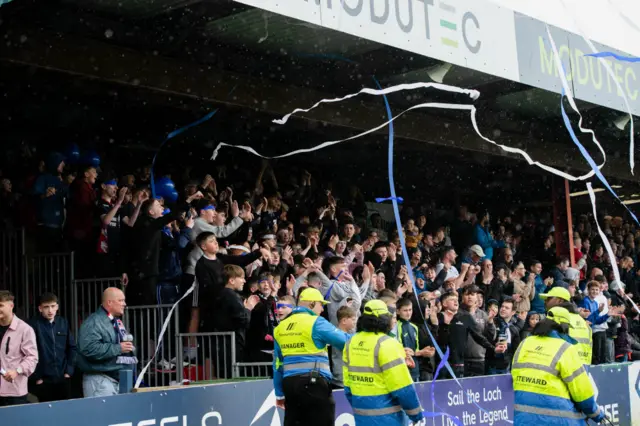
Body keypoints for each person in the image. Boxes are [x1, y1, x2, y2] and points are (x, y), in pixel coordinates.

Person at [511, 306, 605, 425]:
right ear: (564, 328)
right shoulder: (565, 348)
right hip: (558, 420)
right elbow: (582, 393)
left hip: (523, 419)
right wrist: (597, 414)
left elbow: (514, 374)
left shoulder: (525, 343)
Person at [273, 287, 350, 426]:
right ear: (312, 304)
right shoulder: (316, 322)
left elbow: (278, 364)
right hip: (314, 384)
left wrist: (279, 394)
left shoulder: (280, 327)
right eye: (321, 305)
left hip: (289, 385)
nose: (322, 310)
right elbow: (345, 342)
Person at [343, 300, 424, 426]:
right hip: (388, 418)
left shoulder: (351, 342)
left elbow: (348, 386)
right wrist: (416, 414)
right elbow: (402, 388)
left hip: (361, 416)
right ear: (384, 319)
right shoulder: (388, 344)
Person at [77, 287, 137, 397]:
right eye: (121, 300)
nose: (124, 304)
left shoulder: (113, 321)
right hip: (101, 381)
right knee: (100, 414)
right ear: (109, 302)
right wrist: (118, 348)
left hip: (113, 380)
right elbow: (89, 349)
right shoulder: (94, 322)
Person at [28, 292, 76, 402]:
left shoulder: (63, 322)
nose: (50, 310)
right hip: (43, 380)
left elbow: (72, 347)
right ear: (40, 308)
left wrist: (69, 371)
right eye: (46, 307)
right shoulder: (32, 325)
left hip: (62, 377)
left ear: (57, 307)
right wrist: (36, 377)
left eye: (53, 306)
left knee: (64, 412)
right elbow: (26, 353)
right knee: (44, 414)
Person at [0, 291, 38, 406]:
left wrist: (17, 371)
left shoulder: (25, 329)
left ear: (11, 305)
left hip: (14, 392)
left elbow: (32, 358)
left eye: (1, 305)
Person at [540, 287, 593, 365]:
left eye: (549, 298)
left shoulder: (555, 318)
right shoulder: (582, 321)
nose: (545, 301)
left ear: (560, 300)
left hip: (562, 367)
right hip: (582, 367)